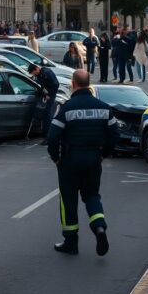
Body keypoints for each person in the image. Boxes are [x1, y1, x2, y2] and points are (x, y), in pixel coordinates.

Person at [47, 70, 118, 256]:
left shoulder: (67, 108)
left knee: (68, 200)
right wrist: (104, 154)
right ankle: (99, 227)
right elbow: (114, 134)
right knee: (92, 196)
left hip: (70, 160)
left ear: (73, 84)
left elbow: (53, 135)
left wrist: (55, 158)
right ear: (89, 84)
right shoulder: (103, 107)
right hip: (94, 159)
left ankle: (71, 243)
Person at [28, 63, 59, 146]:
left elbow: (56, 84)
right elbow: (42, 86)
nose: (34, 75)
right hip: (45, 95)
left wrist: (49, 95)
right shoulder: (39, 74)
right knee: (44, 115)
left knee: (47, 116)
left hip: (50, 96)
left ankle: (48, 138)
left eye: (33, 73)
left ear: (36, 69)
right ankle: (45, 135)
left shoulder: (46, 73)